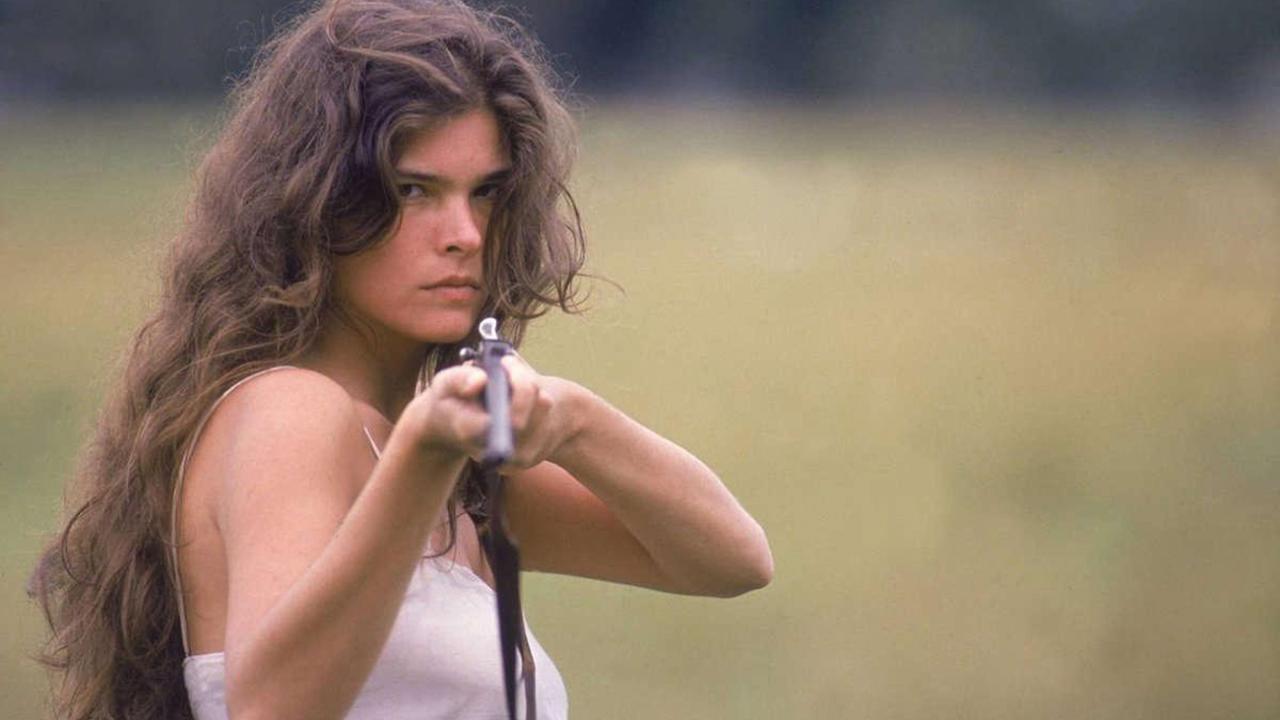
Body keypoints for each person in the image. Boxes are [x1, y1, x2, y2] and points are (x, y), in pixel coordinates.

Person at [28, 1, 774, 718]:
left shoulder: (437, 458)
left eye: (487, 192)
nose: (465, 234)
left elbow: (730, 561)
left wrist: (572, 419)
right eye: (415, 190)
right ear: (317, 202)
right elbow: (274, 709)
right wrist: (422, 455)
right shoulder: (294, 410)